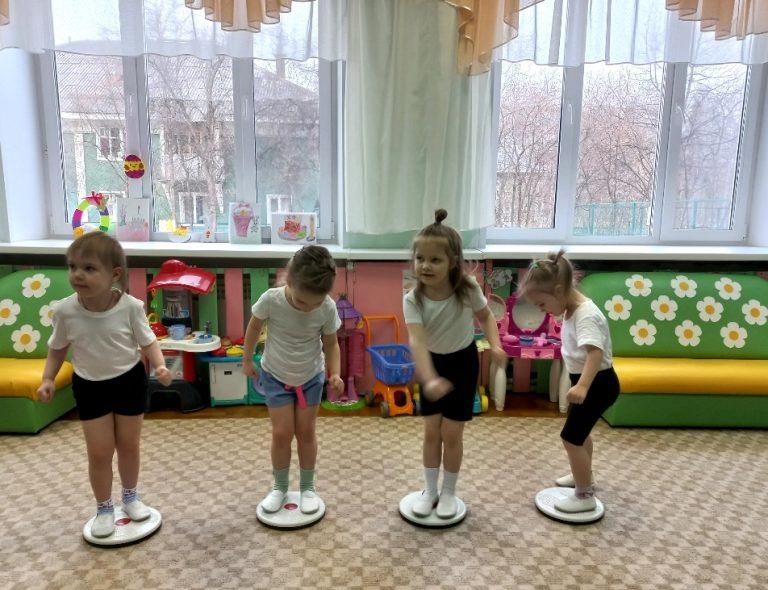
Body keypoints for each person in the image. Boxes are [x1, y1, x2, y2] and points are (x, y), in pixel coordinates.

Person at [37, 232, 172, 537]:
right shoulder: (65, 311)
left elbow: (147, 341)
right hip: (90, 387)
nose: (77, 274)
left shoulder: (131, 307)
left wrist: (160, 365)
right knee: (99, 452)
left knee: (128, 446)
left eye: (89, 268)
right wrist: (47, 378)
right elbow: (57, 347)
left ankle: (130, 497)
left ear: (114, 274)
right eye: (72, 266)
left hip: (129, 382)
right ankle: (104, 508)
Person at [403, 209, 507, 518]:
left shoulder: (467, 289)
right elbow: (417, 341)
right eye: (420, 258)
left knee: (452, 433)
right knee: (431, 432)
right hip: (431, 364)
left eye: (435, 260)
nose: (425, 266)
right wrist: (429, 378)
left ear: (452, 262)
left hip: (463, 363)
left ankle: (448, 492)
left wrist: (495, 345)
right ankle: (430, 490)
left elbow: (486, 317)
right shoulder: (412, 299)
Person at [242, 245, 344, 515]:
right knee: (281, 433)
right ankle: (279, 487)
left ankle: (308, 488)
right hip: (275, 375)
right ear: (288, 280)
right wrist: (246, 359)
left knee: (306, 432)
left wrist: (335, 373)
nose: (309, 308)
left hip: (310, 377)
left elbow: (331, 343)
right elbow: (254, 327)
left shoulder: (327, 307)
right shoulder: (271, 299)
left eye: (316, 303)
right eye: (302, 302)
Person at [517, 250, 620, 513]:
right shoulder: (571, 309)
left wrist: (583, 386)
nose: (543, 311)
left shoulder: (585, 315)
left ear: (559, 290)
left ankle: (584, 496)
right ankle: (583, 476)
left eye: (542, 304)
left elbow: (595, 353)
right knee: (579, 434)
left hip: (597, 384)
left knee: (571, 438)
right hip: (590, 382)